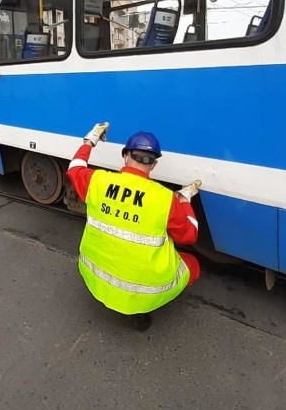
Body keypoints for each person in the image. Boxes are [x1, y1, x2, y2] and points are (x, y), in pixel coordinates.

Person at [66, 122, 202, 331]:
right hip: (141, 290)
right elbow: (190, 235)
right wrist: (184, 200)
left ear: (125, 156)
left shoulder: (98, 181)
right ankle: (138, 311)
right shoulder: (164, 199)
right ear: (154, 165)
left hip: (94, 275)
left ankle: (115, 300)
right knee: (191, 264)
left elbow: (74, 168)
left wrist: (90, 141)